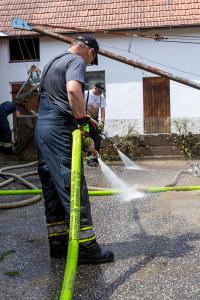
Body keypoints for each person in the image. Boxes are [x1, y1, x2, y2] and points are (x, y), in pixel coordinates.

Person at [35, 34, 114, 263]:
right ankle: (87, 249)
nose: (89, 64)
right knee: (73, 186)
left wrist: (84, 123)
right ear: (90, 52)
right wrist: (81, 122)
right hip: (60, 129)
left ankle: (58, 246)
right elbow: (72, 91)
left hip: (43, 129)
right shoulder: (76, 62)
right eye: (92, 61)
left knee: (52, 186)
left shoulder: (52, 61)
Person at [84, 82, 106, 166]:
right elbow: (81, 108)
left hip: (95, 119)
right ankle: (90, 160)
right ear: (95, 88)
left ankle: (95, 158)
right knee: (89, 140)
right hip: (85, 119)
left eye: (102, 91)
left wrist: (102, 122)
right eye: (99, 91)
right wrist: (90, 119)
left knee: (97, 139)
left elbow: (103, 110)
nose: (100, 93)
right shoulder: (86, 94)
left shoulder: (101, 96)